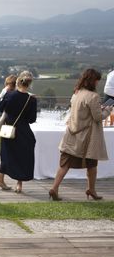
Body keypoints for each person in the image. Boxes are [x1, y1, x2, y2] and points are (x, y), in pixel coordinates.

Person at [48, 68, 110, 201]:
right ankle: (91, 189)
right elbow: (98, 117)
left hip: (71, 134)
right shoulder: (93, 96)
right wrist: (108, 111)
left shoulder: (76, 93)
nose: (98, 83)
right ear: (93, 81)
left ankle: (54, 188)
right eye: (97, 81)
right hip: (88, 138)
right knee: (92, 165)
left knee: (64, 164)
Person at [0, 71, 37, 194]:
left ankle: (0, 180)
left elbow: (1, 108)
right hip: (23, 132)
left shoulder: (10, 95)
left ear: (18, 81)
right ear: (29, 83)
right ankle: (19, 184)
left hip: (9, 131)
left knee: (6, 156)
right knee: (23, 157)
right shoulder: (32, 99)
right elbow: (32, 120)